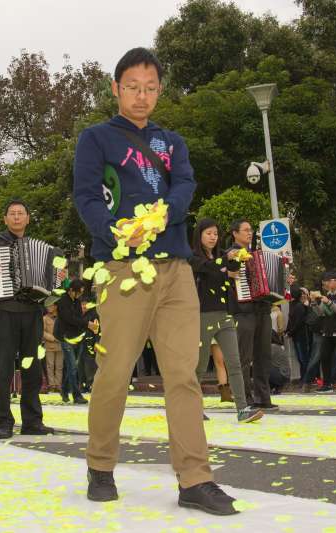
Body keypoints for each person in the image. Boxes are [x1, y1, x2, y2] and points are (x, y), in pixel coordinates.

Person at [73, 48, 237, 514]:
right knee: (116, 371)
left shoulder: (172, 143)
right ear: (115, 89)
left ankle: (194, 479)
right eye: (132, 87)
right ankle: (100, 465)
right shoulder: (96, 138)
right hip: (123, 270)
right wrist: (117, 232)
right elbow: (86, 197)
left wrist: (164, 215)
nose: (141, 96)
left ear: (159, 91)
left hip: (176, 268)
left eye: (150, 88)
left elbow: (184, 185)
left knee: (184, 375)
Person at [0, 200, 55, 440]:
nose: (16, 217)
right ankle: (4, 421)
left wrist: (59, 276)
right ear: (5, 219)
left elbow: (53, 283)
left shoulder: (41, 247)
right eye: (12, 214)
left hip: (33, 313)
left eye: (21, 214)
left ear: (27, 218)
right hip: (4, 313)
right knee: (3, 369)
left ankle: (32, 422)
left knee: (33, 370)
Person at [189, 218, 262, 423]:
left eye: (215, 234)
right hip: (202, 316)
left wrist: (236, 257)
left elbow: (233, 268)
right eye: (208, 233)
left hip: (225, 314)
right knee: (200, 366)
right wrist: (225, 262)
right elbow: (209, 268)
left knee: (235, 362)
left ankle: (242, 408)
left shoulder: (222, 254)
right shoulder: (192, 257)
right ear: (200, 235)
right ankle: (192, 408)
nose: (213, 237)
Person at [226, 219, 277, 411]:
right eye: (245, 230)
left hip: (263, 309)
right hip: (243, 310)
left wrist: (284, 282)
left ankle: (263, 397)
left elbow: (269, 281)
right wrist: (232, 260)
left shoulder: (257, 255)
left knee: (264, 355)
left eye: (251, 230)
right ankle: (244, 398)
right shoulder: (230, 254)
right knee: (244, 356)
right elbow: (229, 273)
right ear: (235, 233)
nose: (250, 233)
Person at [310, 272, 336, 393]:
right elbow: (321, 313)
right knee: (325, 357)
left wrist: (329, 302)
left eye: (328, 281)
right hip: (328, 331)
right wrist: (314, 303)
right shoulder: (327, 295)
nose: (326, 284)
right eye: (325, 282)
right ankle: (327, 384)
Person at [55, 279, 90, 404]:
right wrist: (86, 323)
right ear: (71, 290)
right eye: (78, 293)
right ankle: (76, 395)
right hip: (65, 336)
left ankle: (64, 390)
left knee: (72, 366)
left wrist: (84, 326)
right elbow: (69, 319)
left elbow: (79, 318)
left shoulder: (77, 301)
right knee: (72, 366)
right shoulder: (62, 301)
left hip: (77, 336)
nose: (79, 295)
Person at [286, 286, 311, 383]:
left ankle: (306, 378)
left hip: (300, 335)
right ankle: (303, 377)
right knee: (301, 358)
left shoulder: (298, 306)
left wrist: (290, 332)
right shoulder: (296, 305)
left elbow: (298, 322)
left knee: (303, 358)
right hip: (297, 335)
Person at [42, 302, 62, 392]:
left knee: (59, 366)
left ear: (55, 306)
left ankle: (58, 385)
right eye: (47, 306)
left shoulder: (61, 317)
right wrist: (53, 338)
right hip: (49, 345)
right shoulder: (45, 318)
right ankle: (51, 385)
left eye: (50, 305)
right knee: (50, 365)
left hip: (61, 345)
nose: (48, 308)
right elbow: (42, 332)